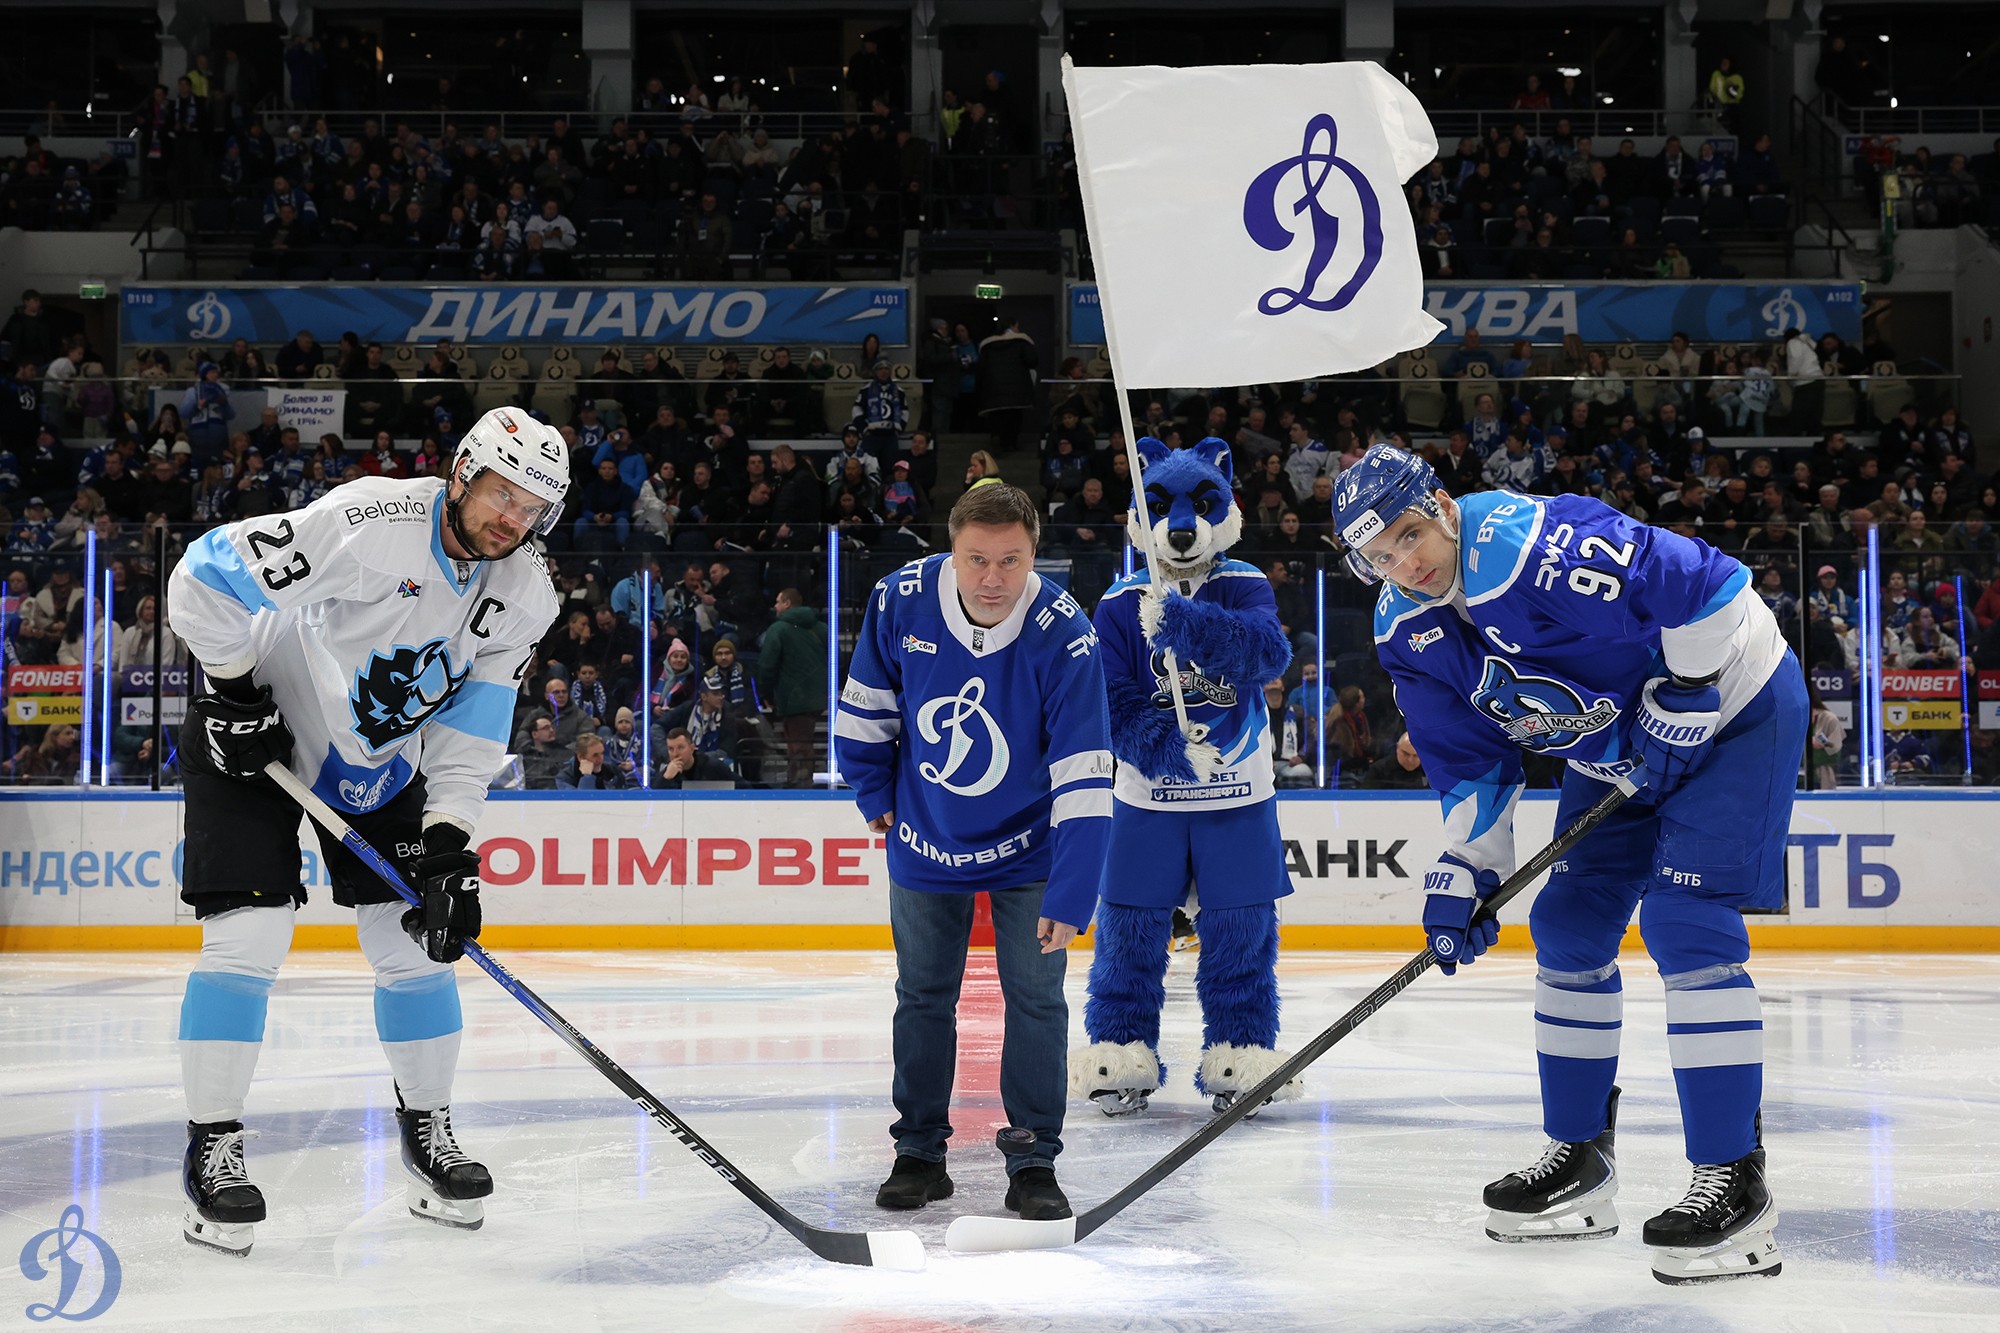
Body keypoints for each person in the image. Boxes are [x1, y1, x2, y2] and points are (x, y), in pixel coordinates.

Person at [1333, 444, 1805, 1284]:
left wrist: (1689, 690)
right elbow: (1471, 762)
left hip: (1736, 702)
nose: (1405, 563)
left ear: (1442, 506)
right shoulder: (1404, 628)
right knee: (1567, 925)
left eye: (1410, 534)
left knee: (1686, 924)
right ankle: (1580, 1158)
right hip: (1618, 741)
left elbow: (1710, 585)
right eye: (1380, 555)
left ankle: (1735, 1180)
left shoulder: (1530, 545)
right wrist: (1467, 868)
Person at [165, 405, 568, 1255]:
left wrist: (450, 840)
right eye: (502, 492)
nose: (512, 517)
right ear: (463, 473)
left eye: (532, 506)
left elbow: (471, 732)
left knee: (417, 946)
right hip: (257, 735)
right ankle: (213, 1147)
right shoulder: (370, 521)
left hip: (376, 760)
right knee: (250, 934)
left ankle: (429, 1131)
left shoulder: (527, 593)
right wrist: (232, 689)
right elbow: (203, 574)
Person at [834, 479, 1111, 1223]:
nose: (993, 578)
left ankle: (1033, 1159)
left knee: (1037, 999)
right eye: (977, 559)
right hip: (925, 838)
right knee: (922, 996)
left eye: (1011, 560)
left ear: (1035, 555)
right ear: (951, 552)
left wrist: (1072, 890)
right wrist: (873, 791)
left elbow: (1087, 776)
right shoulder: (900, 600)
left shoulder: (1066, 634)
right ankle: (919, 1153)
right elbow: (865, 713)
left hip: (1031, 849)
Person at [756, 587, 827, 787]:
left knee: (799, 745)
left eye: (778, 601)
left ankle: (800, 784)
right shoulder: (822, 628)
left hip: (792, 697)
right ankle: (798, 779)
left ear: (787, 603)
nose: (775, 606)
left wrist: (766, 693)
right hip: (818, 696)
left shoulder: (778, 629)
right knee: (800, 740)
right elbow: (837, 658)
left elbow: (767, 665)